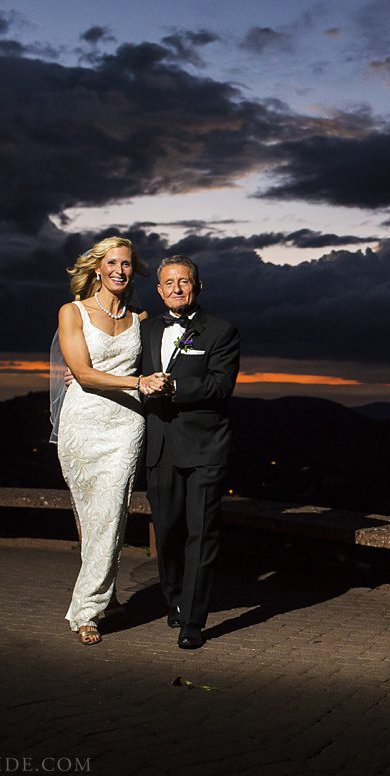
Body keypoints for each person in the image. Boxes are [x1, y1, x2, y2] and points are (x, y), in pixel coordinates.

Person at [55, 236, 168, 645]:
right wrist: (135, 381)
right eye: (112, 263)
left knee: (113, 511)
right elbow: (83, 374)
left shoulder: (141, 318)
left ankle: (87, 611)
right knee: (91, 516)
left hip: (125, 425)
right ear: (97, 268)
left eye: (126, 264)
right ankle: (109, 596)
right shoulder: (73, 312)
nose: (119, 270)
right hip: (82, 422)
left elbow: (161, 361)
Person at [140, 255, 240, 649]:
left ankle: (193, 622)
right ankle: (176, 599)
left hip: (204, 448)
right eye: (169, 282)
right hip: (160, 447)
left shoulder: (221, 330)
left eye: (185, 281)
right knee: (165, 531)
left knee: (201, 534)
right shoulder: (146, 330)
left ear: (198, 287)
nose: (177, 288)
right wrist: (81, 376)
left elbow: (220, 386)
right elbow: (128, 372)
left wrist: (175, 390)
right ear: (159, 290)